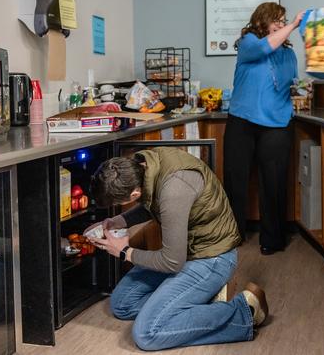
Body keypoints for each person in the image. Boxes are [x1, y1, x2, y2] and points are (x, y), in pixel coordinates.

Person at [86, 147, 269, 351]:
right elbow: (155, 203)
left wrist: (124, 252)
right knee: (122, 304)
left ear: (134, 193)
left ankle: (244, 310)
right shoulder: (144, 164)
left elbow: (172, 261)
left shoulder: (174, 187)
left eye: (121, 204)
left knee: (147, 334)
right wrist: (119, 220)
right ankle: (192, 304)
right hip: (184, 251)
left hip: (211, 258)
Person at [224, 2, 305, 255]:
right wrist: (293, 26)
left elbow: (291, 84)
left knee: (274, 182)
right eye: (277, 20)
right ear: (262, 20)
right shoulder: (248, 42)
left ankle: (273, 239)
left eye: (284, 20)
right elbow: (263, 47)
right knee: (236, 181)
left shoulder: (288, 54)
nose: (281, 24)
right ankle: (232, 235)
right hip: (242, 120)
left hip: (277, 123)